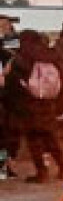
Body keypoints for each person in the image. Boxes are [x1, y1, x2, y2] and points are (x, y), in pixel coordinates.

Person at [6, 30, 63, 182]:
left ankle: (42, 172)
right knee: (50, 137)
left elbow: (14, 82)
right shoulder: (50, 55)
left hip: (28, 104)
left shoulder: (21, 58)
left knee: (34, 139)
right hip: (48, 103)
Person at [0, 14, 21, 177]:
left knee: (10, 131)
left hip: (13, 93)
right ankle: (4, 165)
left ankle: (9, 162)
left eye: (6, 24)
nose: (4, 27)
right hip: (4, 92)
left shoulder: (15, 41)